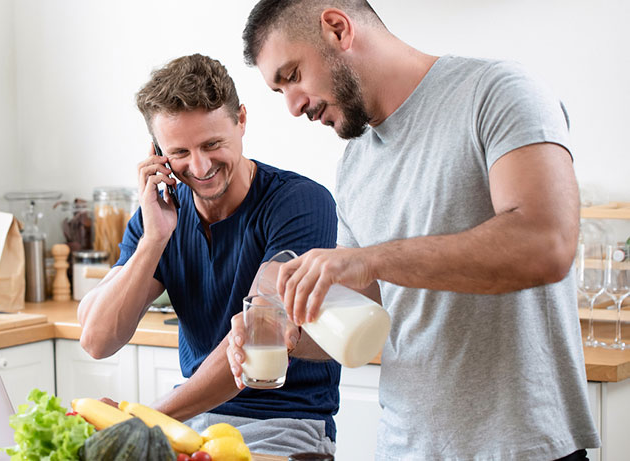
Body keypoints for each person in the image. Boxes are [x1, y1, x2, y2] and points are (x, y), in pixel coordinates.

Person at [227, 1, 601, 459]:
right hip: (406, 447)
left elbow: (546, 244)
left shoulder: (497, 92)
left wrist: (369, 259)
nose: (293, 106)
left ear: (337, 28)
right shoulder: (355, 164)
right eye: (279, 90)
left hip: (525, 447)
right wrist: (281, 330)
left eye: (293, 76)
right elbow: (367, 317)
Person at [77, 53, 340, 456]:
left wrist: (144, 421)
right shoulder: (159, 217)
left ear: (242, 121)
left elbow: (258, 333)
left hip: (283, 425)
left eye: (212, 144)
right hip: (191, 422)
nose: (199, 167)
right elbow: (96, 341)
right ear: (157, 152)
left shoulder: (300, 202)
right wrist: (153, 240)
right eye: (179, 152)